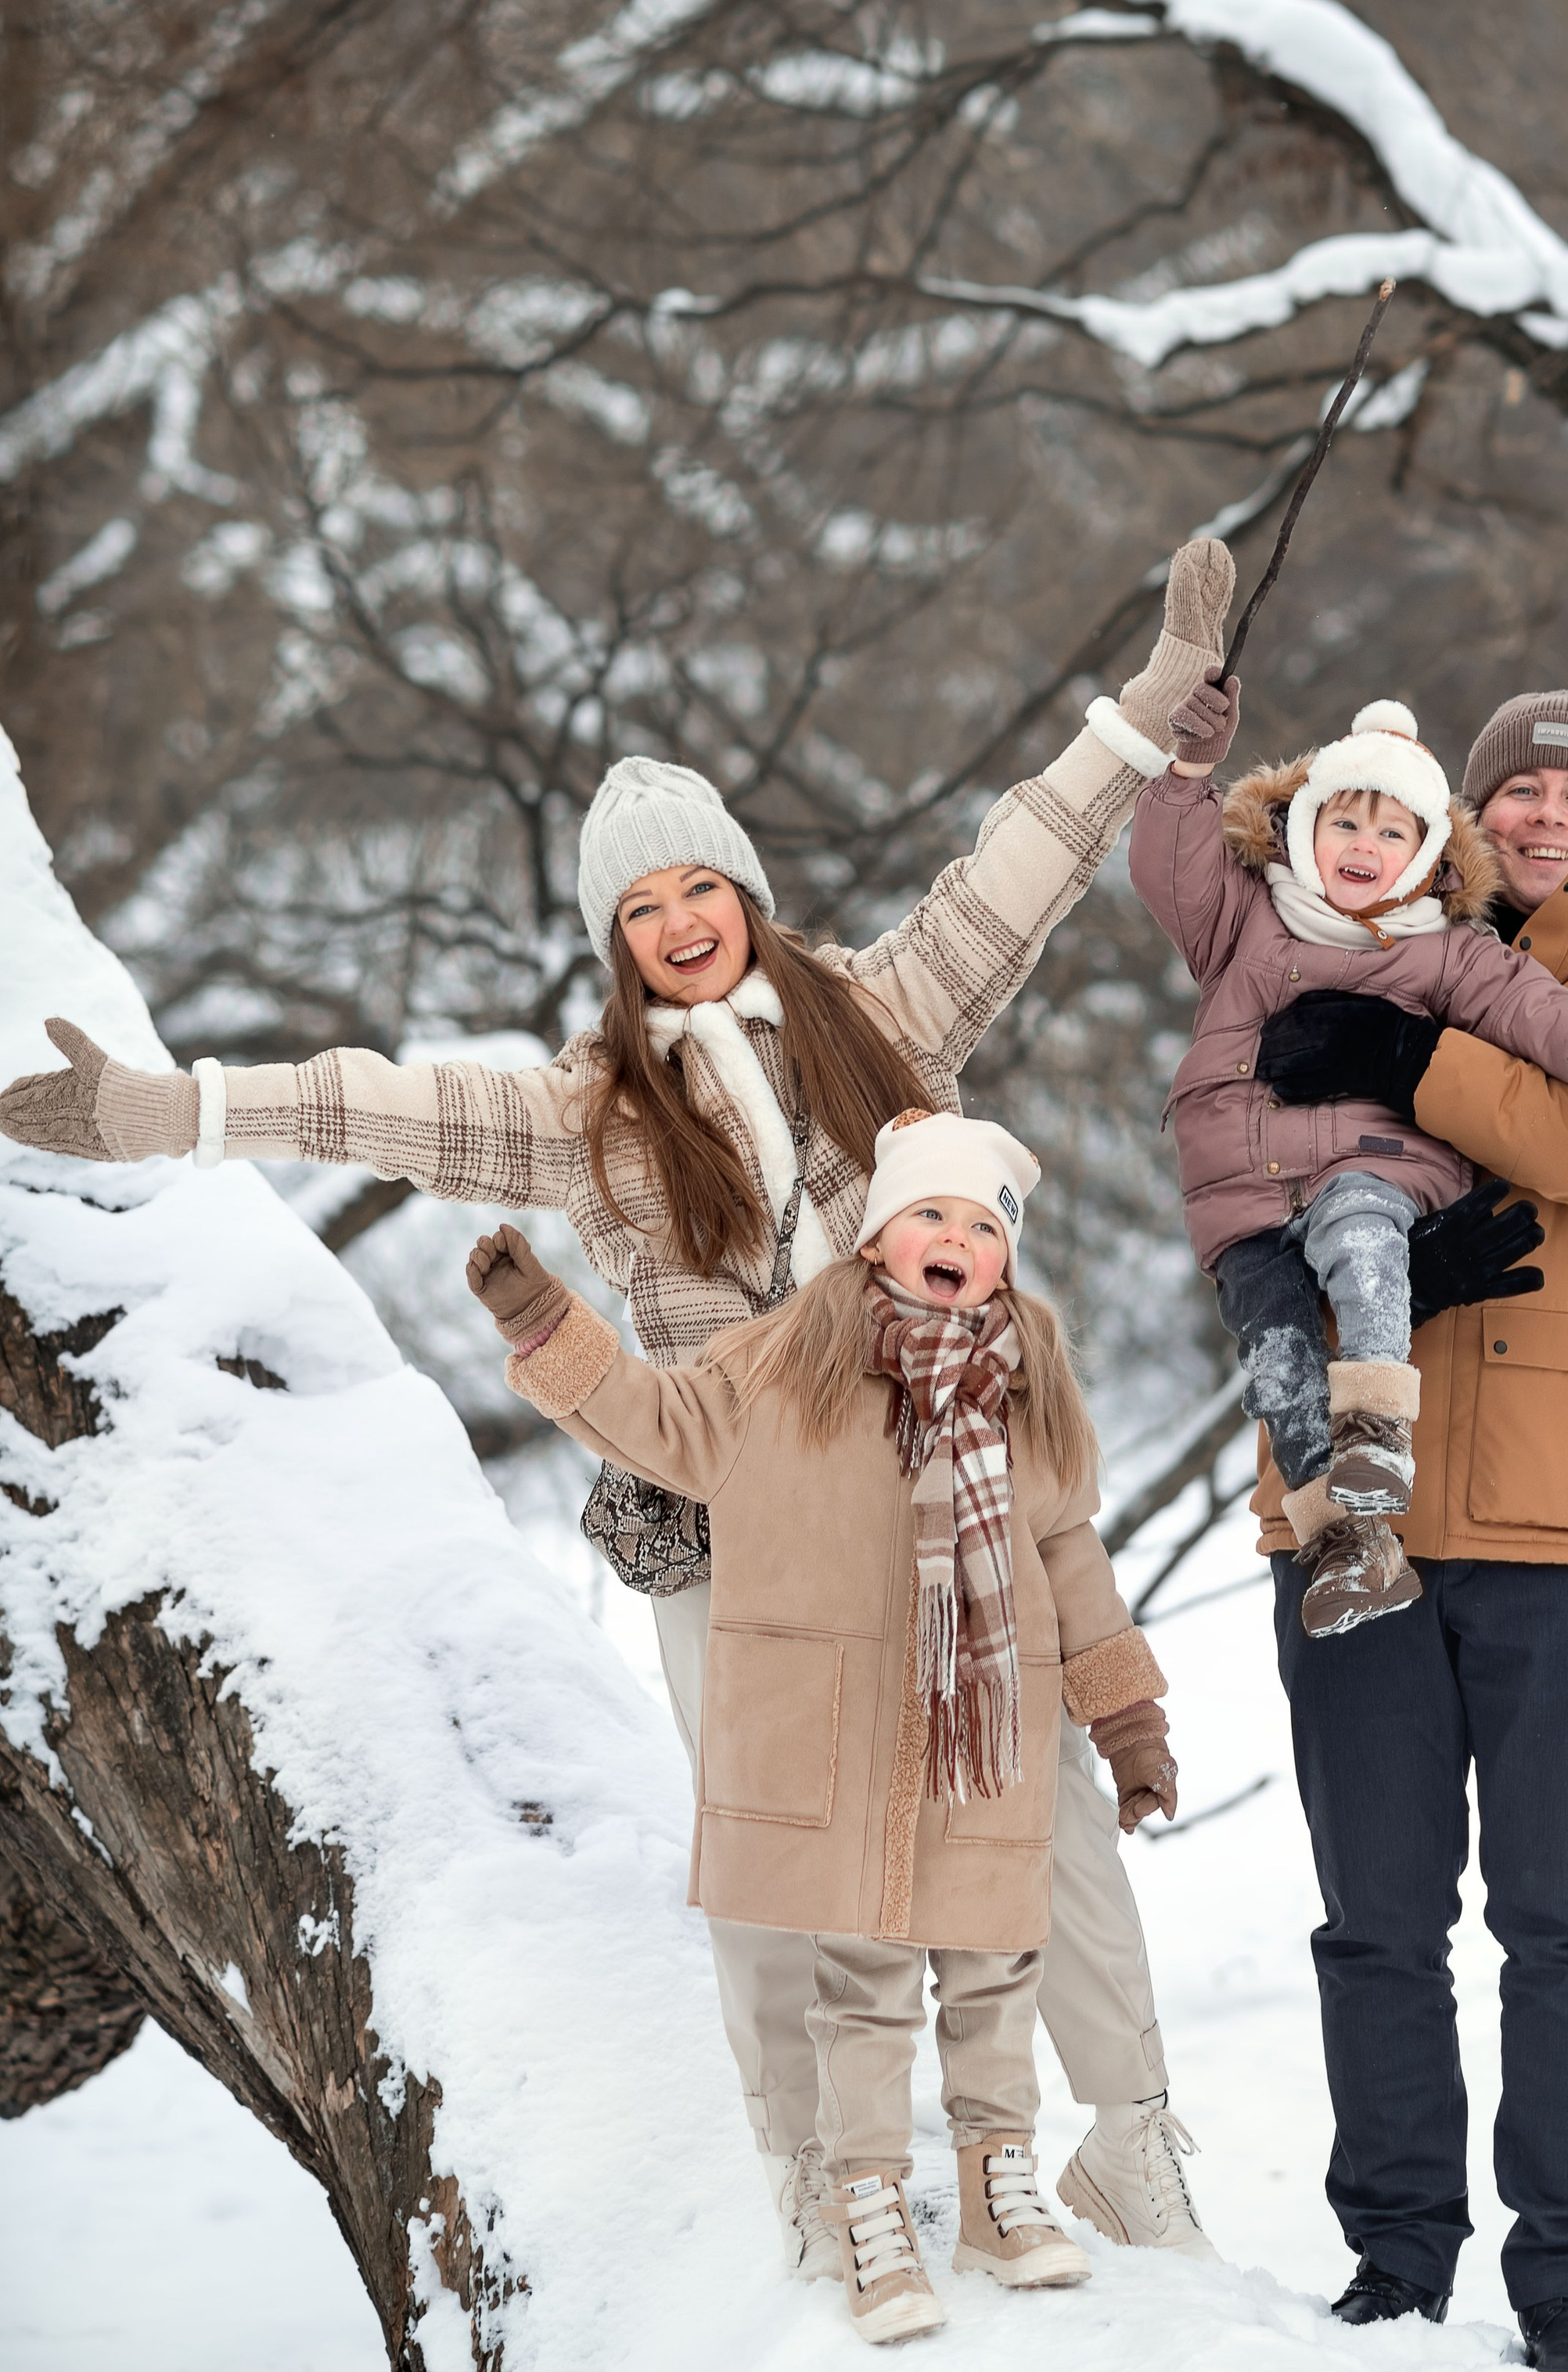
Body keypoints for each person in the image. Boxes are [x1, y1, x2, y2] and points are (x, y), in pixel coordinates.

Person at [0, 538, 1239, 2273]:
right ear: (611, 939)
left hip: (942, 1490)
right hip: (726, 1528)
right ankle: (821, 2177)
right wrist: (167, 1110)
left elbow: (1015, 865)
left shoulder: (883, 1020)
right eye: (638, 907)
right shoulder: (580, 1120)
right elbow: (371, 1104)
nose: (674, 923)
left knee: (1039, 1807)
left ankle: (1129, 2140)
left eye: (696, 888)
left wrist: (1147, 704)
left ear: (742, 888)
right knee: (773, 1863)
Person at [464, 1108, 1175, 2346]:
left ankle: (999, 2194)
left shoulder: (1031, 1391)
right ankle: (870, 2206)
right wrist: (546, 1325)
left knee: (998, 1966)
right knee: (864, 1981)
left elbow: (1073, 1557)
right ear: (881, 1236)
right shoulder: (782, 1363)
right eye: (929, 1214)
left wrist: (1130, 1719)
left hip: (988, 1733)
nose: (953, 1236)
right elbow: (662, 1421)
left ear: (1004, 1254)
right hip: (851, 1739)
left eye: (979, 1223)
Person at [1247, 689, 1568, 2372]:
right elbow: (1254, 1191)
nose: (1539, 816)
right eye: (1511, 792)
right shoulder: (1354, 932)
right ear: (1465, 820)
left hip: (1562, 1527)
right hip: (1348, 1504)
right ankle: (1393, 2263)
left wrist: (1404, 1063)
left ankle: (1565, 2283)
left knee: (1558, 1916)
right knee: (1373, 1921)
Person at [1127, 691, 1568, 1640]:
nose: (1361, 845)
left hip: (1370, 1165)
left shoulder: (1443, 945)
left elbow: (1526, 1006)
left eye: (1390, 828)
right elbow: (1171, 870)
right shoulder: (1244, 917)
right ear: (1303, 823)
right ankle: (1347, 1546)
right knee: (1279, 1358)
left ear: (1424, 853)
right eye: (1343, 819)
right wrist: (1187, 775)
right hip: (1242, 1195)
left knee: (1365, 1237)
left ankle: (1375, 1432)